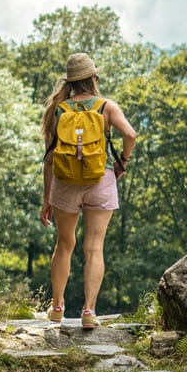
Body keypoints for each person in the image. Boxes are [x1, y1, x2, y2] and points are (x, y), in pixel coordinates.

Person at [38, 52, 137, 329]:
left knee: (64, 244)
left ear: (70, 82)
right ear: (94, 78)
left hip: (65, 182)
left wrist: (47, 198)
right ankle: (89, 311)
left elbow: (49, 157)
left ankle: (57, 307)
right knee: (94, 247)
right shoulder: (106, 106)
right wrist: (122, 163)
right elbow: (130, 135)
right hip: (100, 179)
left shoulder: (58, 109)